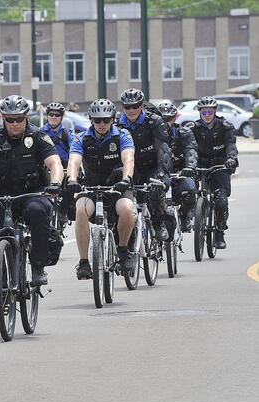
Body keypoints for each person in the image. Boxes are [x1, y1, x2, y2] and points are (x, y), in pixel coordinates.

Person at [0, 95, 64, 319]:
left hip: (33, 193)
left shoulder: (38, 137)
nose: (14, 124)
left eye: (18, 119)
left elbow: (54, 163)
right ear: (3, 119)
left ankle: (39, 267)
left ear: (26, 118)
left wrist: (55, 184)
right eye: (9, 120)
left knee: (37, 211)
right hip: (3, 197)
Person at [66, 99, 136, 280]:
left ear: (113, 119)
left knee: (127, 209)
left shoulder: (122, 135)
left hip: (117, 186)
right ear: (91, 120)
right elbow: (74, 160)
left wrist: (127, 178)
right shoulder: (81, 138)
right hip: (91, 186)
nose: (102, 124)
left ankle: (123, 249)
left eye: (106, 120)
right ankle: (83, 262)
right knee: (80, 210)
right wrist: (72, 179)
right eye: (97, 120)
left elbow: (128, 158)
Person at [116, 88, 172, 241]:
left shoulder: (154, 120)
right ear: (123, 107)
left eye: (135, 106)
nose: (132, 110)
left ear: (142, 106)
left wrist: (161, 173)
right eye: (128, 107)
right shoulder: (117, 124)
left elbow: (163, 150)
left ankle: (159, 223)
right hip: (132, 168)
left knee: (155, 192)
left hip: (154, 165)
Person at [185, 96, 239, 249]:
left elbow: (231, 146)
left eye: (210, 111)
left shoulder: (225, 126)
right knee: (188, 190)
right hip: (199, 164)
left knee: (220, 200)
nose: (207, 115)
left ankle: (220, 232)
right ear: (199, 113)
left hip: (220, 164)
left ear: (214, 112)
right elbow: (188, 148)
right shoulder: (192, 128)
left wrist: (231, 159)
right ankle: (192, 216)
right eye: (204, 112)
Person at [157, 101, 198, 232]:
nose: (165, 122)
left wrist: (190, 167)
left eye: (168, 119)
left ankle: (185, 216)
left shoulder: (184, 133)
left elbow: (191, 150)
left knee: (191, 190)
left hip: (180, 172)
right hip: (160, 173)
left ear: (175, 117)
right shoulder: (153, 134)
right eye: (162, 119)